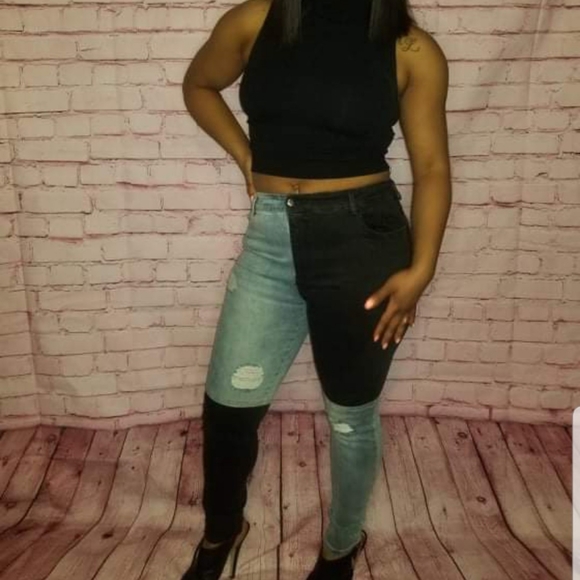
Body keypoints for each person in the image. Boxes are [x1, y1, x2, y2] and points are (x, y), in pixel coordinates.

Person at [180, 0, 451, 577]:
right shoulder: (254, 21)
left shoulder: (412, 50)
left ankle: (340, 547)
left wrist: (422, 270)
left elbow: (431, 168)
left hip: (363, 244)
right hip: (270, 239)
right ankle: (222, 530)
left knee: (351, 417)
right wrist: (246, 156)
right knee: (227, 411)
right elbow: (199, 85)